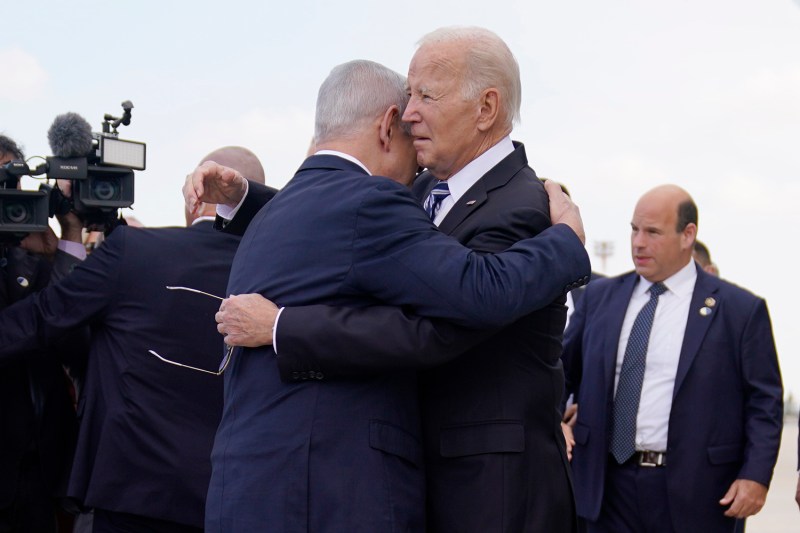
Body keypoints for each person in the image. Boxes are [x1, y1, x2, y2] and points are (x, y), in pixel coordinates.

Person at [184, 58, 590, 531]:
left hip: (250, 487)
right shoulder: (371, 202)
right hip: (327, 494)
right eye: (409, 112)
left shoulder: (283, 211)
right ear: (384, 128)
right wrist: (567, 240)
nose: (416, 124)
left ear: (486, 107)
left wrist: (246, 204)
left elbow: (334, 227)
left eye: (427, 97)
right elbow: (481, 292)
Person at [0, 146, 275, 532]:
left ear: (196, 196)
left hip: (135, 498)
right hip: (240, 503)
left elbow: (40, 319)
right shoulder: (281, 280)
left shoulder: (136, 251)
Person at [562, 184, 783, 532]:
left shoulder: (738, 311)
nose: (638, 242)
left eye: (652, 232)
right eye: (634, 230)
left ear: (687, 235)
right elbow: (560, 374)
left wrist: (756, 476)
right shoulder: (599, 299)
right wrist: (555, 418)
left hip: (697, 493)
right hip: (606, 490)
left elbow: (764, 403)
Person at [0, 134, 85, 532]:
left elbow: (69, 328)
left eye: (10, 181)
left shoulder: (35, 256)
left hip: (36, 464)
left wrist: (67, 239)